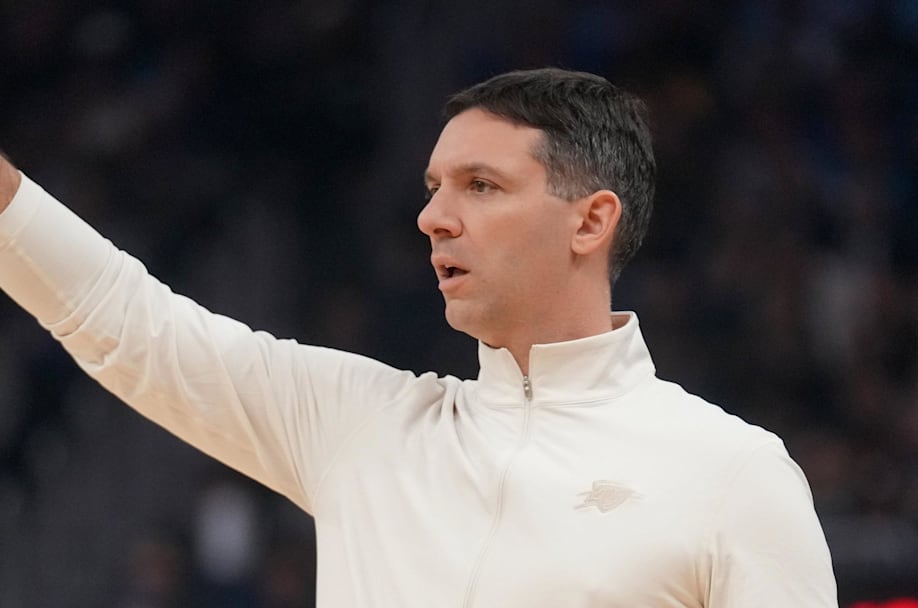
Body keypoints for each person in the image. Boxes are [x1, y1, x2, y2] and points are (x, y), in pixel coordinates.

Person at [0, 68, 837, 606]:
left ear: (590, 221)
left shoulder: (732, 475)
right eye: (435, 186)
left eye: (481, 185)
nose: (434, 217)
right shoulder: (360, 426)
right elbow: (125, 320)